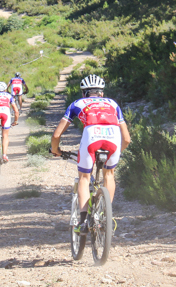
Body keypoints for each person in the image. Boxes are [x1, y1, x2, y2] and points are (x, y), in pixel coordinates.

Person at [50, 74, 131, 235]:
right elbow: (127, 139)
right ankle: (106, 216)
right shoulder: (113, 104)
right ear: (101, 93)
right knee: (109, 175)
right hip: (114, 138)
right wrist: (116, 154)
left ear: (84, 93)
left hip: (91, 136)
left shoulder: (77, 103)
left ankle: (83, 221)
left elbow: (56, 135)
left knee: (84, 178)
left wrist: (55, 149)